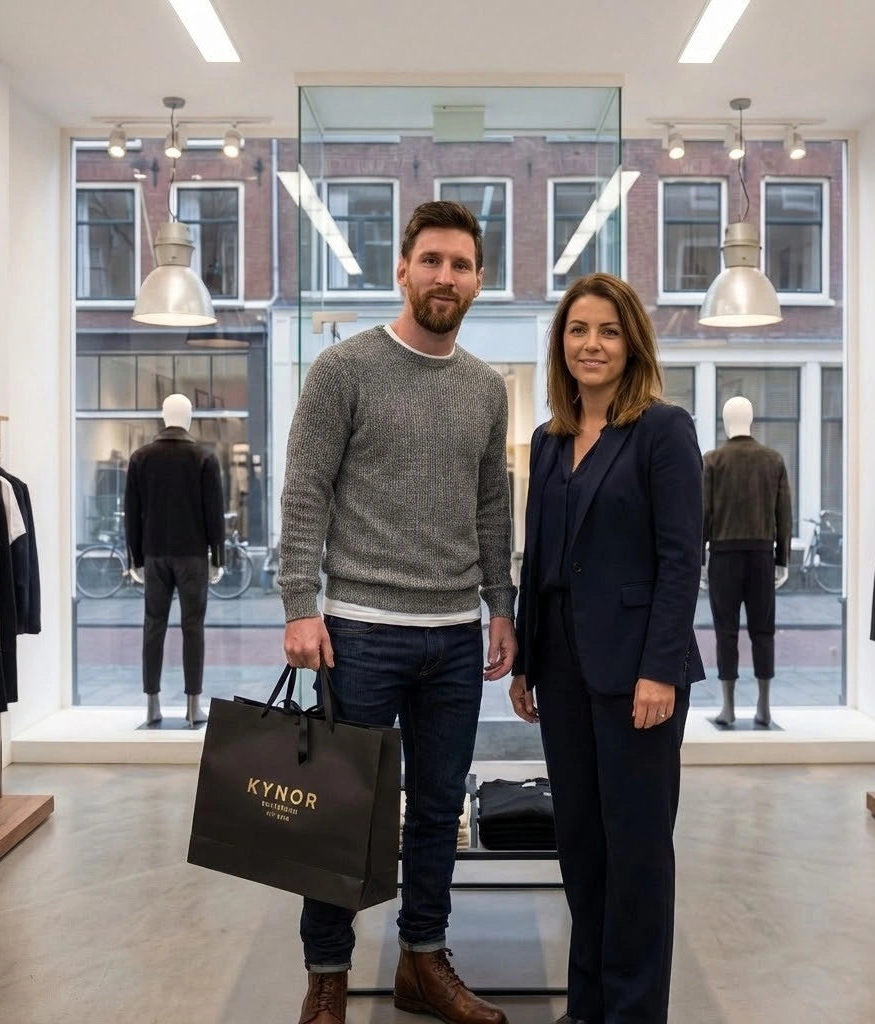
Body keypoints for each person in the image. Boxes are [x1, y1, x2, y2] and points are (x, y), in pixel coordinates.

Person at [279, 200, 516, 1024]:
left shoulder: (486, 388)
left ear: (478, 282)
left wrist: (501, 605)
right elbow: (304, 490)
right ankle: (327, 976)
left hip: (453, 637)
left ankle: (423, 960)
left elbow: (493, 505)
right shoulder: (342, 369)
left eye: (461, 265)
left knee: (441, 808)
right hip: (357, 632)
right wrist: (299, 604)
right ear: (403, 270)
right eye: (432, 261)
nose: (445, 277)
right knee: (340, 813)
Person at [508, 272, 704, 1024]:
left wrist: (660, 668)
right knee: (582, 848)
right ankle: (586, 1007)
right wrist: (527, 660)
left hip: (637, 671)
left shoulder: (662, 430)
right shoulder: (549, 440)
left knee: (638, 854)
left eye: (609, 331)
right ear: (561, 342)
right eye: (578, 329)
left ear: (633, 344)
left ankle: (633, 1013)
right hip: (560, 666)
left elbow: (682, 558)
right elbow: (538, 555)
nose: (592, 344)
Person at [123, 393, 225, 727]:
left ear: (163, 417)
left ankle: (152, 704)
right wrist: (218, 556)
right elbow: (214, 513)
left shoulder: (140, 458)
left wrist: (135, 558)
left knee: (153, 625)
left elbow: (132, 514)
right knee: (193, 627)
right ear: (189, 417)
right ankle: (193, 705)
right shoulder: (203, 458)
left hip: (154, 554)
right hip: (193, 556)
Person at [702, 396, 792, 727]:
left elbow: (703, 513)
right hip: (761, 555)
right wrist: (782, 558)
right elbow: (784, 514)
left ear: (726, 422)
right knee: (763, 631)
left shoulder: (713, 461)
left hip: (723, 556)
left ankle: (727, 707)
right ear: (751, 420)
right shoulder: (773, 460)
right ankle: (764, 706)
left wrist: (699, 559)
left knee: (725, 631)